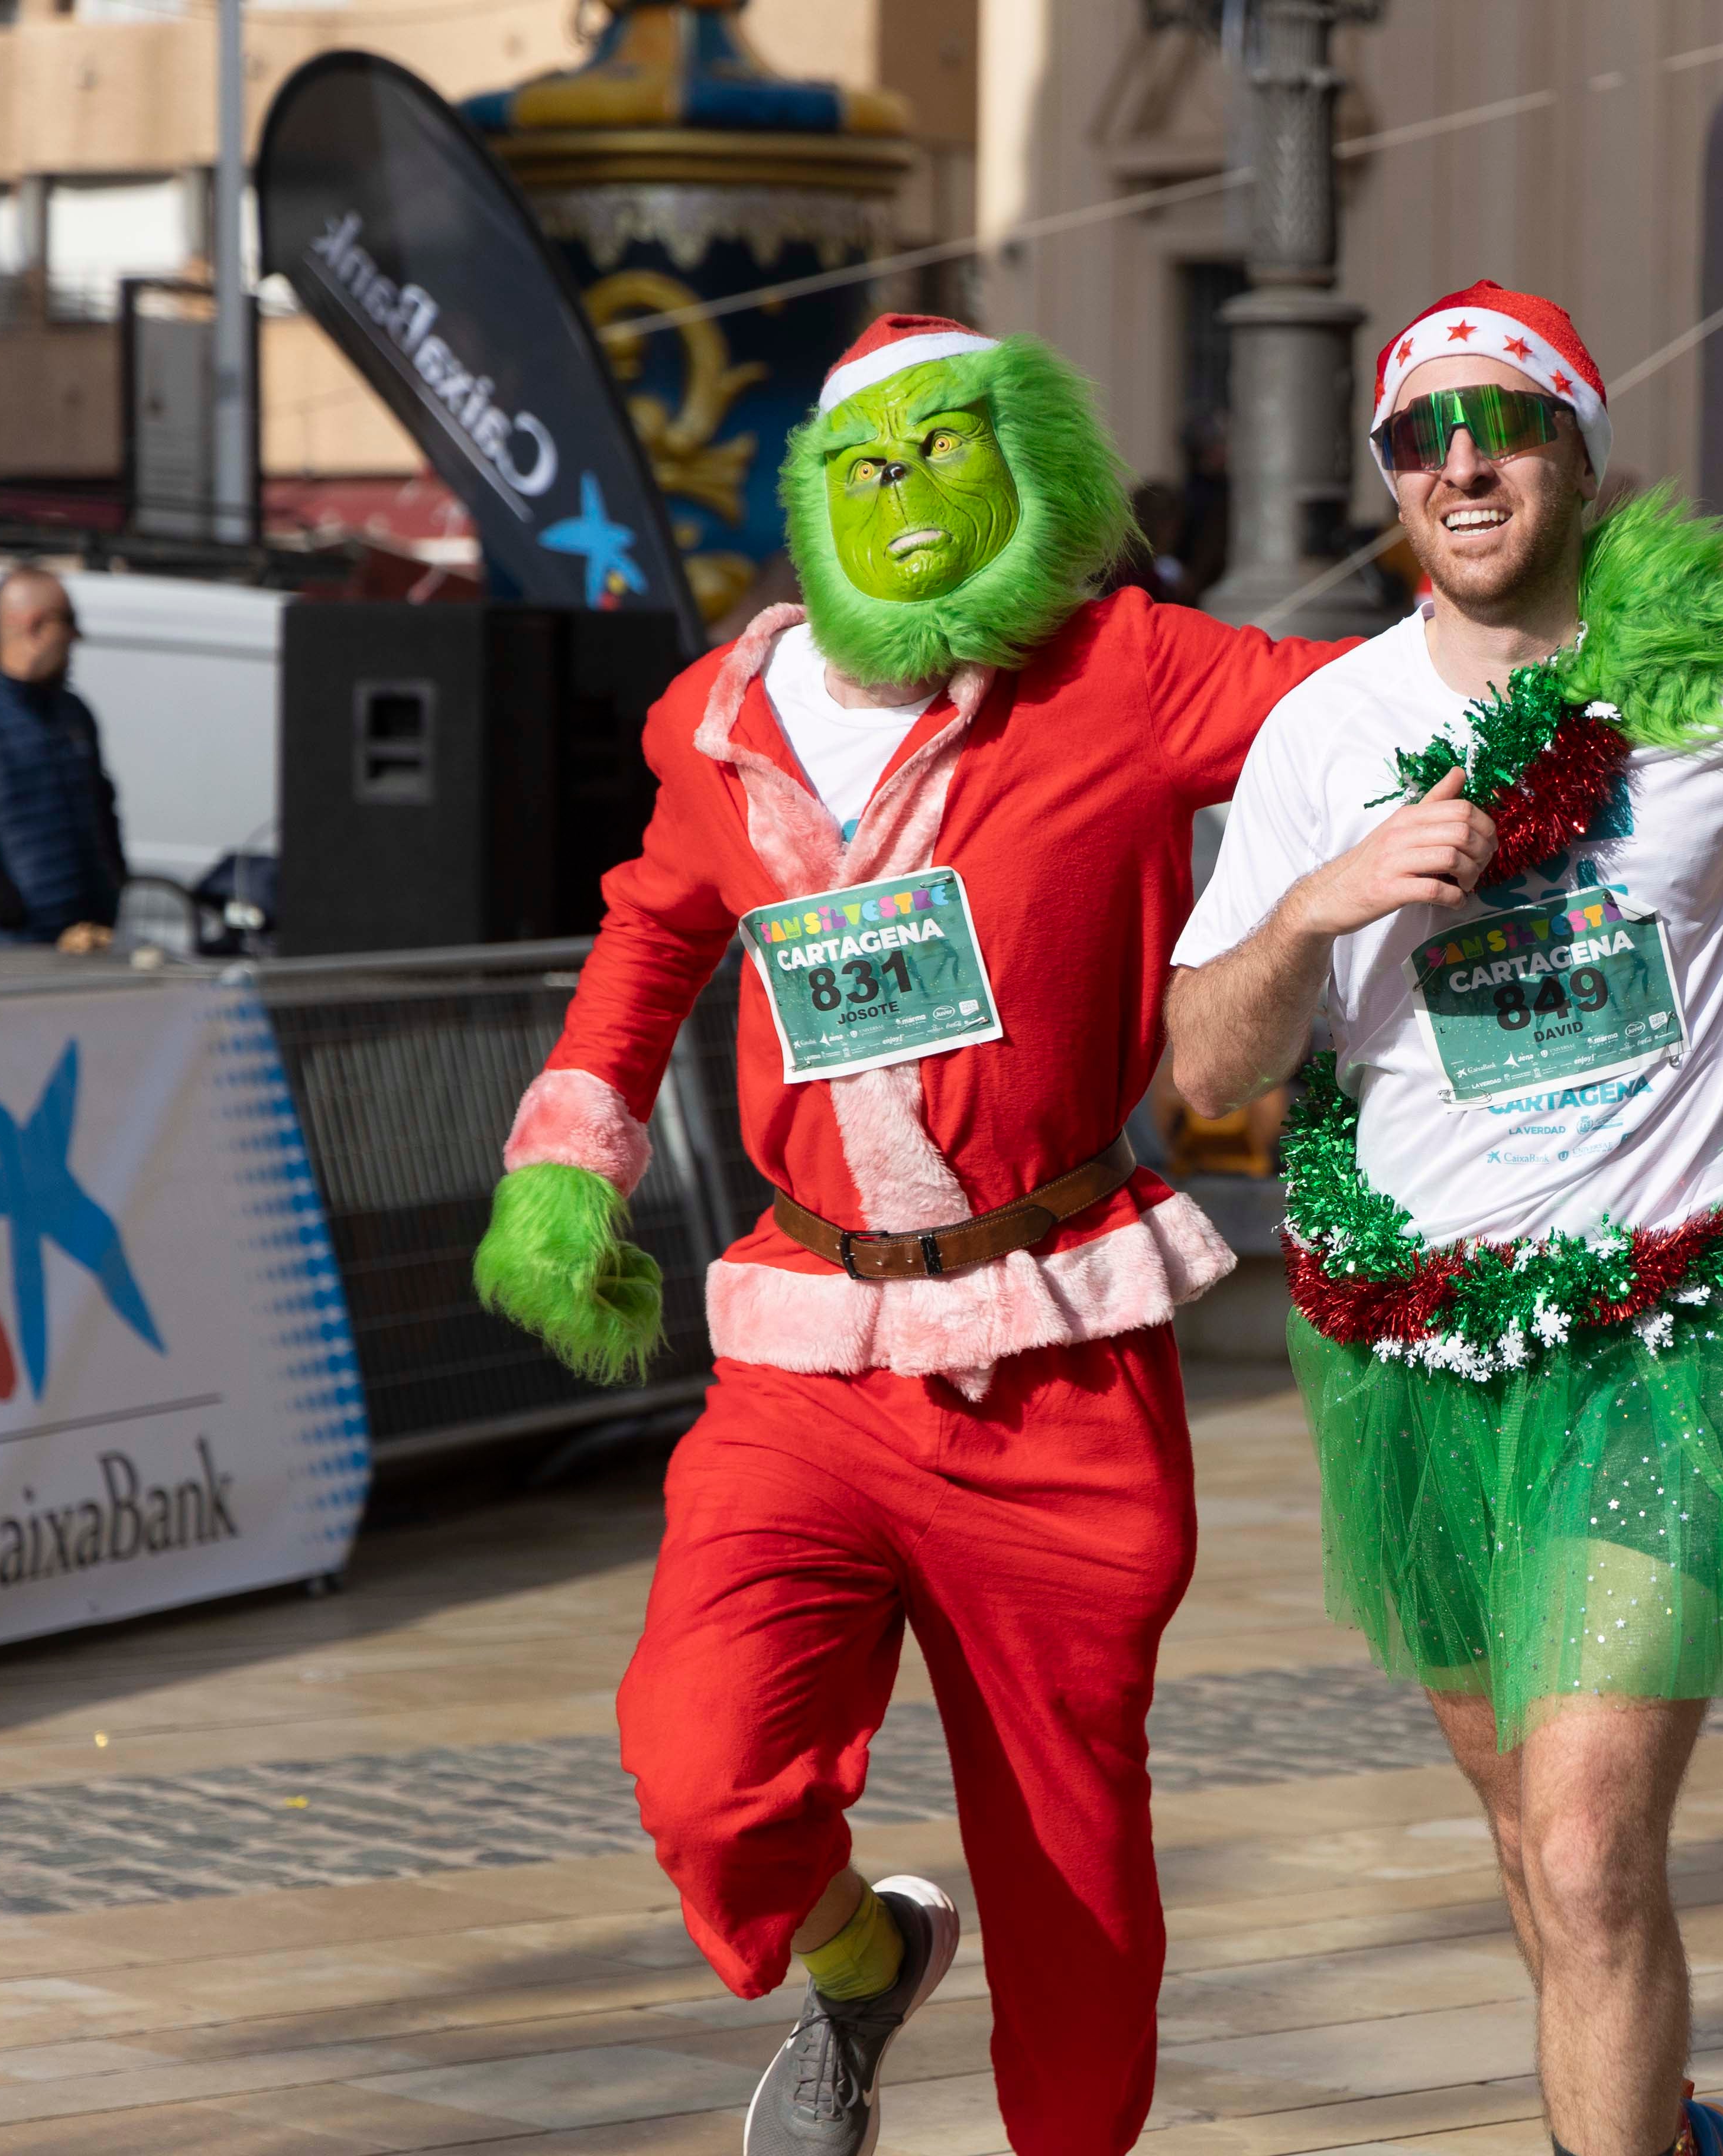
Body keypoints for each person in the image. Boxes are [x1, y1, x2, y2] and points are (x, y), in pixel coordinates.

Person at [470, 314, 1354, 2156]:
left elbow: (1373, 709)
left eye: (944, 455)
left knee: (1071, 1862)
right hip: (805, 1351)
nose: (909, 501)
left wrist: (1641, 650)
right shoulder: (726, 723)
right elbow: (650, 936)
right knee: (703, 1769)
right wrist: (570, 1153)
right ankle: (864, 1955)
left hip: (1062, 1355)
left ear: (1029, 465)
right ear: (815, 499)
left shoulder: (1122, 670)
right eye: (866, 470)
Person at [1162, 280, 1723, 2156]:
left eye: (1500, 426)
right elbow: (1204, 1071)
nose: (1459, 465)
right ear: (1394, 483)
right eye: (1419, 440)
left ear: (1575, 452)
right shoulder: (1329, 727)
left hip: (1678, 1330)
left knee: (1586, 1835)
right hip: (1423, 1355)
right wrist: (1319, 904)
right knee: (1531, 1843)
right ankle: (1654, 2121)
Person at [0, 567, 125, 949]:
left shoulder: (73, 712)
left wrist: (112, 887)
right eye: (68, 621)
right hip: (6, 947)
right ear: (34, 625)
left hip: (85, 937)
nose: (76, 637)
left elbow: (103, 807)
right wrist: (8, 913)